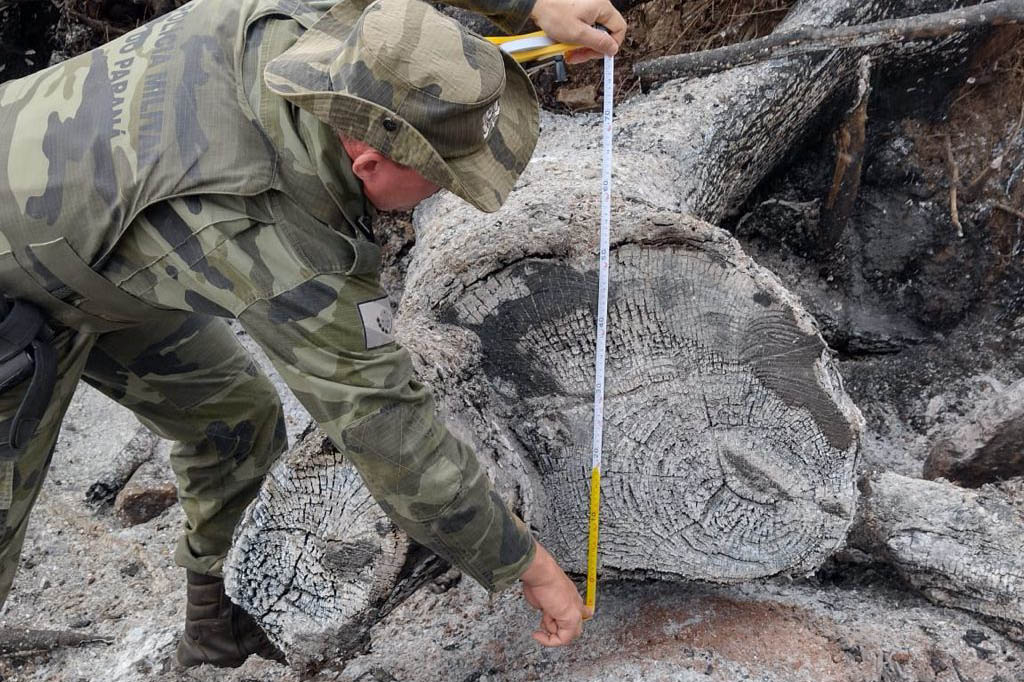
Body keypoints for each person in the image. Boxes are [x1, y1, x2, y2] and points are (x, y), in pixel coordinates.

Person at [0, 0, 626, 669]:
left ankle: (217, 626)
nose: (447, 194)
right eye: (441, 178)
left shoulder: (326, 35)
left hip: (101, 240)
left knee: (234, 418)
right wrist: (527, 566)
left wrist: (535, 9)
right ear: (369, 164)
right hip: (17, 291)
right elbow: (390, 432)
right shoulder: (282, 239)